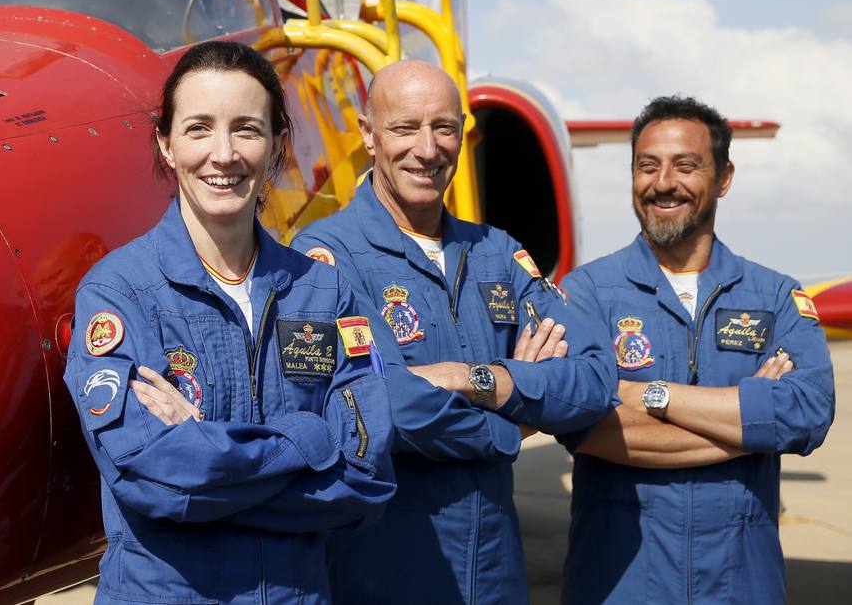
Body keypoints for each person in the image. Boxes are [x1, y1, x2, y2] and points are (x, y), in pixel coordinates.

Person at [64, 41, 399, 605]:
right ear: (165, 145)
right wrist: (310, 437)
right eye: (198, 129)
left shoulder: (324, 292)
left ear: (275, 147)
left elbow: (366, 479)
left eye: (246, 128)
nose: (223, 154)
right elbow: (151, 480)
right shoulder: (120, 293)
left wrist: (206, 453)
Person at [292, 59, 617, 603]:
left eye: (444, 128)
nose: (427, 148)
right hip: (381, 578)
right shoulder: (323, 258)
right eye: (404, 128)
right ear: (369, 136)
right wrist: (512, 427)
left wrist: (475, 378)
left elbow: (595, 378)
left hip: (495, 576)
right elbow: (381, 404)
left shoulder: (499, 253)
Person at [557, 95, 834, 604]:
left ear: (724, 178)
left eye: (686, 166)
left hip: (740, 585)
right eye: (647, 166)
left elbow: (807, 415)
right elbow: (584, 424)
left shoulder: (774, 297)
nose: (663, 183)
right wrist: (751, 422)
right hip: (619, 584)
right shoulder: (587, 294)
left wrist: (652, 397)